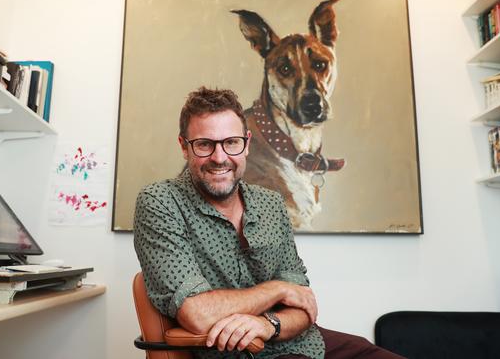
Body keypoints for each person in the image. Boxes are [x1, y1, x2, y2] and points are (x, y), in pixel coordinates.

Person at [133, 87, 404, 359]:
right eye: (205, 144)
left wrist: (267, 324)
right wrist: (278, 290)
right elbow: (198, 315)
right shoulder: (160, 202)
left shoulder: (271, 204)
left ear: (247, 144)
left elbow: (304, 307)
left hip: (304, 342)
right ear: (184, 146)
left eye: (231, 142)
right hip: (239, 354)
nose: (219, 157)